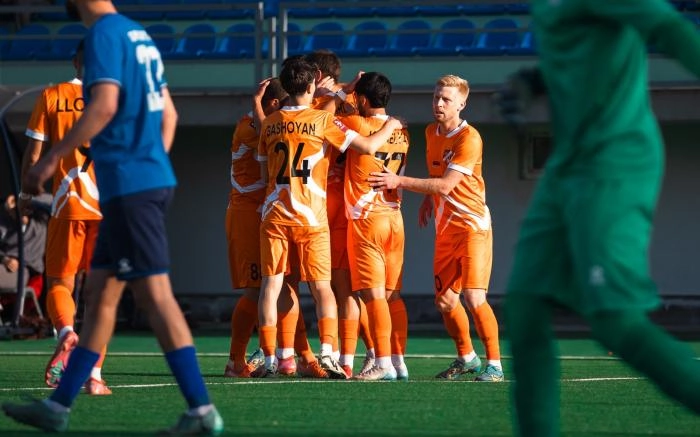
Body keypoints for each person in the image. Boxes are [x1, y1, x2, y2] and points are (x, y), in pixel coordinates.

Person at [2, 0, 223, 434]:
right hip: (128, 186)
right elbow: (170, 114)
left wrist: (51, 160)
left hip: (130, 186)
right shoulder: (138, 34)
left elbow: (103, 106)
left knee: (155, 296)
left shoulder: (103, 34)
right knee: (100, 295)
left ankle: (201, 410)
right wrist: (152, 163)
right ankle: (58, 406)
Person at [494, 1, 700, 435]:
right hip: (566, 167)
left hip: (615, 161)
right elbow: (583, 52)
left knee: (614, 320)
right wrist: (533, 82)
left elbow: (666, 25)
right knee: (525, 308)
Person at [255, 57, 403, 378]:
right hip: (311, 216)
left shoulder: (269, 122)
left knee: (272, 285)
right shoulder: (322, 120)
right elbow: (366, 146)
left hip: (275, 213)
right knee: (323, 288)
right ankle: (328, 354)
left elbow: (265, 173)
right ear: (312, 85)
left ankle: (270, 358)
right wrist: (391, 126)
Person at [369, 74, 503, 382]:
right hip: (446, 230)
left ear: (461, 104)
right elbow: (437, 178)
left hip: (472, 228)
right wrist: (429, 201)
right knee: (445, 302)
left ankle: (495, 365)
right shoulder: (431, 132)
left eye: (446, 99)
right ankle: (467, 358)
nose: (439, 103)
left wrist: (398, 181)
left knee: (473, 297)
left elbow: (445, 185)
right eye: (436, 97)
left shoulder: (469, 138)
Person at [21, 39, 110, 395]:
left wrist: (27, 195)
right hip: (107, 209)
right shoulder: (115, 100)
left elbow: (34, 156)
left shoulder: (52, 95)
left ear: (76, 62)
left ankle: (66, 332)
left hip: (66, 205)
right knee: (101, 295)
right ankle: (94, 377)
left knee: (60, 282)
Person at [336, 72, 410, 381]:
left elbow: (329, 115)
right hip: (395, 218)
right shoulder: (403, 131)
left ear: (363, 99)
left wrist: (344, 91)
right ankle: (398, 361)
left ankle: (382, 363)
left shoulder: (356, 123)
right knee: (392, 296)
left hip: (367, 220)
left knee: (373, 296)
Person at [0, 193, 50, 292]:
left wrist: (23, 198)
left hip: (23, 271)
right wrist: (4, 259)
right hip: (4, 263)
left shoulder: (40, 225)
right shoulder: (4, 223)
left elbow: (50, 201)